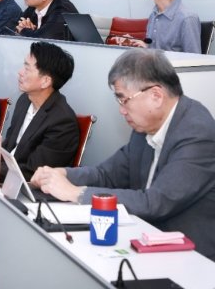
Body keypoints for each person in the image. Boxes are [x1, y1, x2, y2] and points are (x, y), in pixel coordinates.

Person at [30, 48, 215, 261]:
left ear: (156, 96)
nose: (121, 110)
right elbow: (107, 175)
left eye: (124, 99)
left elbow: (155, 203)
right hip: (145, 239)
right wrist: (61, 174)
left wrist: (76, 193)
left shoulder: (197, 133)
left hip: (191, 258)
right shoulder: (145, 126)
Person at [1, 41, 78, 181]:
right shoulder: (24, 101)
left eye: (27, 68)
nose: (20, 72)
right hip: (5, 175)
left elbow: (33, 172)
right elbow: (8, 147)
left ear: (45, 81)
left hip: (28, 187)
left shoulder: (63, 122)